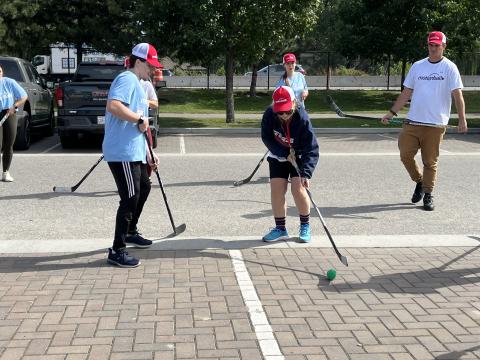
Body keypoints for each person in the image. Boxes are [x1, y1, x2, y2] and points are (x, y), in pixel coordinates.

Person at [381, 31, 467, 211]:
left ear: (444, 46)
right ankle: (419, 181)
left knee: (430, 162)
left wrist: (462, 119)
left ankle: (428, 194)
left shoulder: (450, 68)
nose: (433, 48)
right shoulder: (418, 66)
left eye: (437, 45)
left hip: (435, 125)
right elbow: (406, 93)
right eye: (430, 45)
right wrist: (391, 112)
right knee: (405, 155)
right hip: (413, 122)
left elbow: (457, 95)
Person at [102, 43, 161, 267]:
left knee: (143, 188)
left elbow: (142, 127)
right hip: (122, 152)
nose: (153, 70)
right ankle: (117, 250)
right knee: (130, 198)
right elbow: (114, 106)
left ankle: (130, 231)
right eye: (151, 65)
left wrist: (149, 153)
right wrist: (138, 119)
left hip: (135, 150)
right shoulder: (126, 79)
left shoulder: (139, 83)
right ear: (139, 62)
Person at [261, 86, 319, 243]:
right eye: (280, 112)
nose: (284, 115)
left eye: (287, 111)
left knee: (298, 189)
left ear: (294, 103)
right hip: (279, 155)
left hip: (299, 156)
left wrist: (306, 172)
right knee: (277, 189)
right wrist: (284, 153)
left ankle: (305, 225)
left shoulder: (302, 118)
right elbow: (267, 137)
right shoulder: (269, 114)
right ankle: (280, 228)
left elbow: (312, 148)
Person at [0, 64, 28, 182]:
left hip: (9, 114)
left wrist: (14, 106)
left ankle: (5, 172)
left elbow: (23, 96)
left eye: (0, 71)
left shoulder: (9, 82)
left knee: (9, 144)